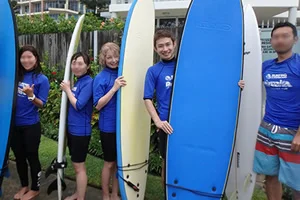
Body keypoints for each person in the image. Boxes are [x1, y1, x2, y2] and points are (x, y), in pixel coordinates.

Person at [239, 22, 300, 200]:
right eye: (276, 37)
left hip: (292, 132)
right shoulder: (266, 66)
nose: (280, 40)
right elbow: (250, 84)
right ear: (272, 40)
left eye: (285, 36)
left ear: (294, 39)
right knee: (270, 176)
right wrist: (242, 84)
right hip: (267, 128)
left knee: (297, 182)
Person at [11, 45, 50, 200]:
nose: (26, 60)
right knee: (19, 157)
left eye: (29, 57)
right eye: (23, 57)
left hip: (31, 125)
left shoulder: (41, 79)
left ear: (36, 58)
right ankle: (24, 186)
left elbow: (42, 104)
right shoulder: (15, 76)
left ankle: (35, 188)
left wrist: (31, 95)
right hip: (14, 125)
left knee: (32, 156)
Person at [143, 29, 176, 186]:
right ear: (155, 49)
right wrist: (157, 121)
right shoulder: (153, 71)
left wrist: (236, 84)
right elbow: (147, 98)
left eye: (168, 44)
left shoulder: (184, 65)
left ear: (174, 44)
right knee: (167, 163)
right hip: (166, 124)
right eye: (160, 46)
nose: (165, 49)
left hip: (186, 121)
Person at [93, 42, 126, 200]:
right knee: (109, 163)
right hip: (108, 127)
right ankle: (106, 195)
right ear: (103, 59)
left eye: (115, 56)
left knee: (120, 164)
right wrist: (114, 88)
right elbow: (98, 105)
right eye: (109, 57)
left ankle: (115, 194)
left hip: (123, 127)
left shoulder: (123, 72)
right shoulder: (101, 78)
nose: (113, 60)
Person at [60, 52, 93, 200]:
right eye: (74, 63)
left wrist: (67, 89)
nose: (76, 66)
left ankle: (81, 197)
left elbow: (79, 105)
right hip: (72, 129)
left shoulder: (88, 82)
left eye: (80, 63)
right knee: (76, 165)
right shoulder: (78, 81)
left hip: (81, 131)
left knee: (79, 167)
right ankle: (78, 194)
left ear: (87, 66)